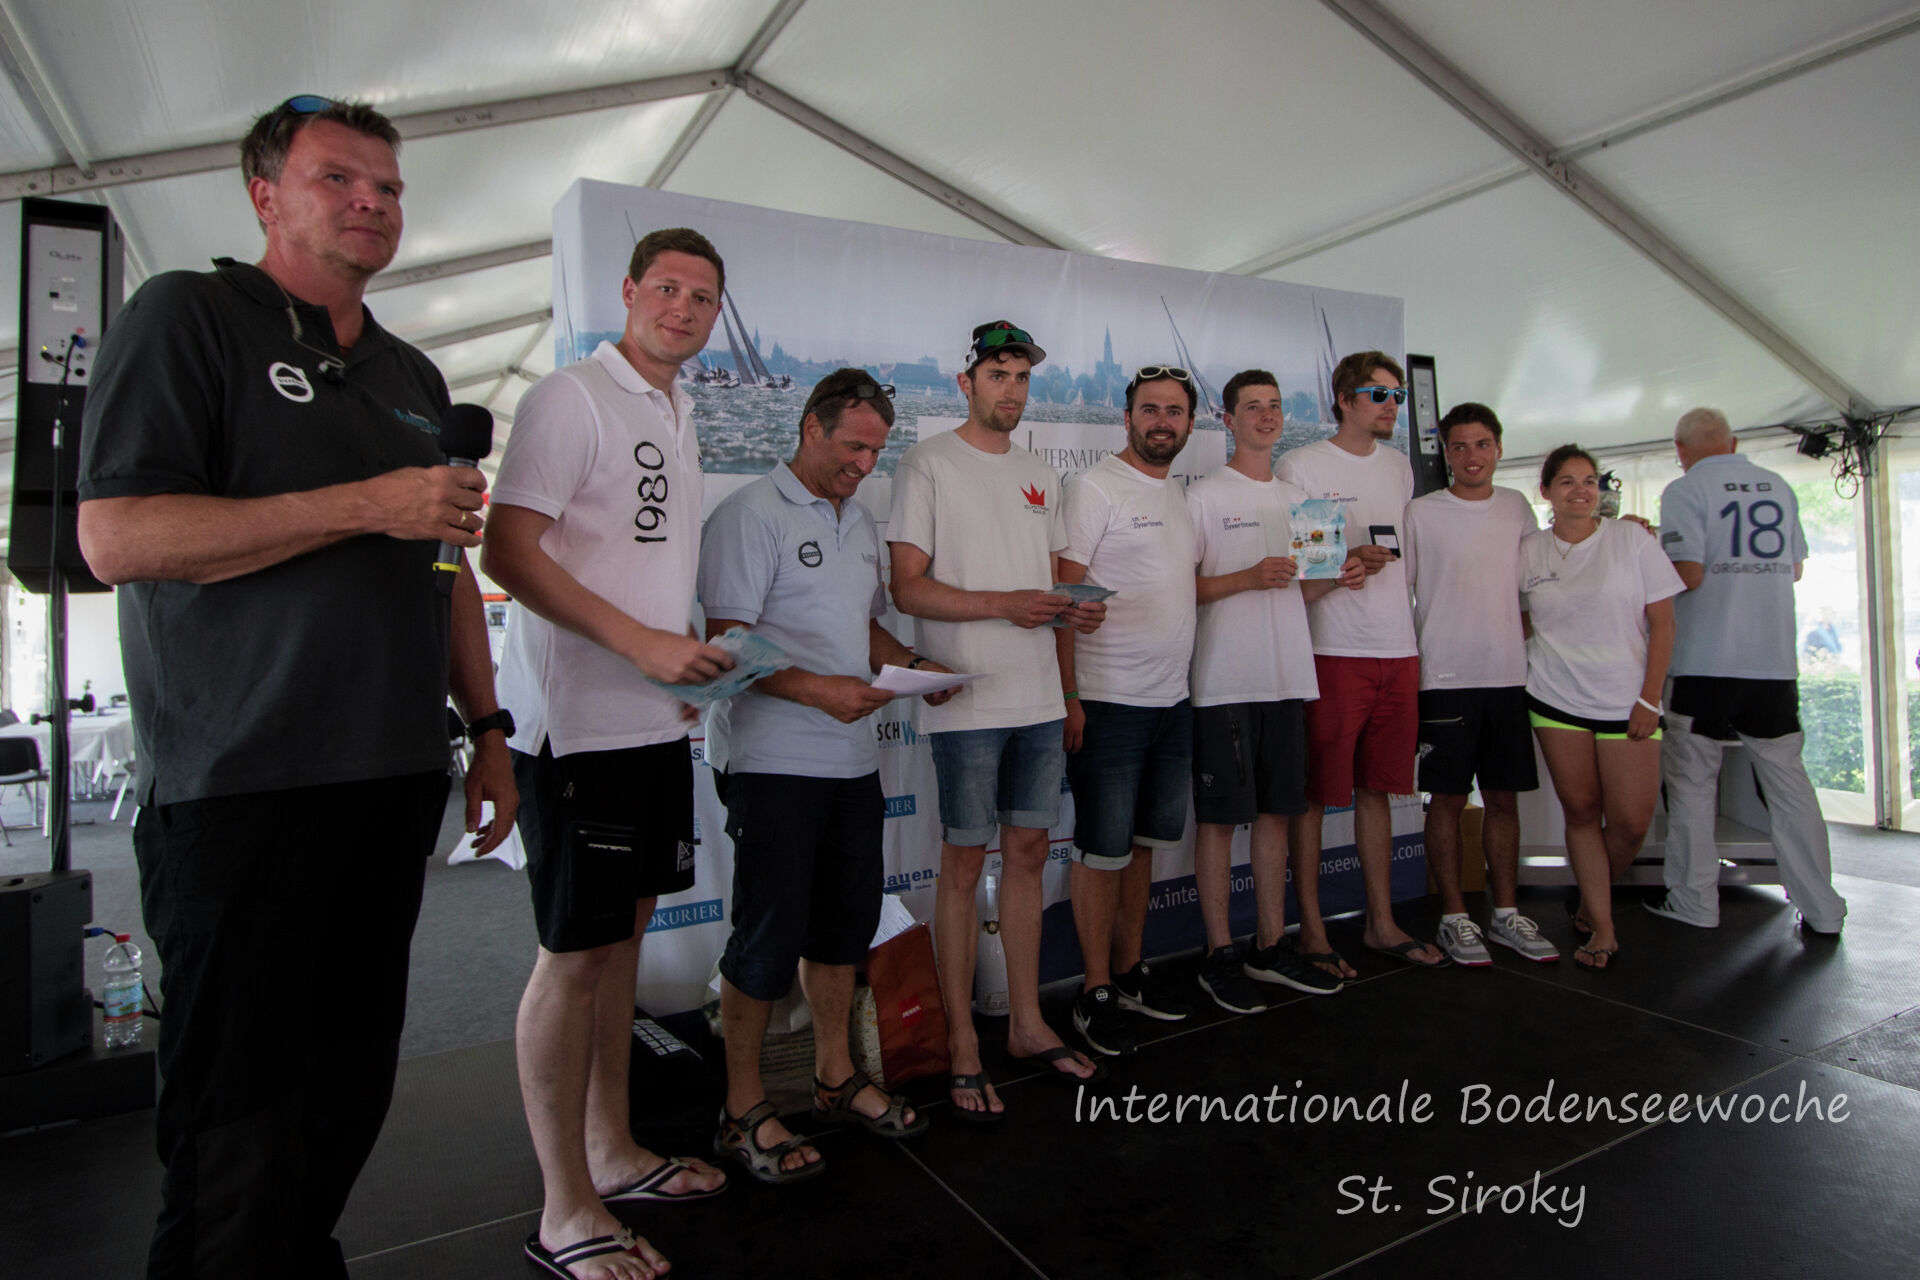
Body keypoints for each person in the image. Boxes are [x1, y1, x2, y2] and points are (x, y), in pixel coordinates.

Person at [75, 97, 516, 1280]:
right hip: (241, 786)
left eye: (389, 186)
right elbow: (118, 536)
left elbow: (446, 566)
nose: (373, 200)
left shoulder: (411, 372)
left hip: (391, 777)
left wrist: (488, 727)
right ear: (265, 194)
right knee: (234, 1122)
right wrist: (368, 503)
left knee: (346, 1091)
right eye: (339, 178)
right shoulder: (188, 315)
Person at [483, 228, 736, 1280]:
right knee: (573, 956)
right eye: (666, 287)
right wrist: (640, 645)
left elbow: (637, 565)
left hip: (650, 723)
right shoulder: (570, 397)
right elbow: (505, 549)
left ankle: (614, 1152)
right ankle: (564, 1210)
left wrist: (681, 660)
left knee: (621, 948)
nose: (682, 307)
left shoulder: (676, 409)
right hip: (575, 730)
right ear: (628, 290)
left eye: (702, 296)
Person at [699, 370, 957, 1181]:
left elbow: (865, 626)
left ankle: (836, 1078)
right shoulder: (749, 514)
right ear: (811, 427)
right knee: (767, 938)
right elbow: (726, 644)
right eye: (854, 447)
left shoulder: (859, 520)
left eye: (878, 452)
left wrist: (915, 665)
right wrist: (819, 691)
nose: (865, 465)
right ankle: (742, 1110)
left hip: (852, 760)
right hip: (773, 763)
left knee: (844, 930)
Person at [888, 321, 1107, 1119]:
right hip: (968, 697)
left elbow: (1047, 590)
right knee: (959, 867)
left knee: (1027, 855)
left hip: (1039, 698)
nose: (1010, 389)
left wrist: (1072, 620)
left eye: (1021, 377)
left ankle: (1024, 1023)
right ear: (966, 383)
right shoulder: (926, 463)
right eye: (997, 375)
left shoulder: (1041, 472)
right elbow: (907, 587)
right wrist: (1004, 605)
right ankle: (961, 1041)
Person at [1185, 370, 1353, 1012]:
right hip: (1223, 681)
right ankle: (1218, 952)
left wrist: (1343, 575)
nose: (1266, 416)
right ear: (1227, 420)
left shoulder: (1303, 501)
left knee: (1278, 814)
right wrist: (1247, 577)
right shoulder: (1203, 496)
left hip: (1287, 677)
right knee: (1220, 822)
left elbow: (1304, 589)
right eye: (1252, 407)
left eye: (1275, 406)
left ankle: (1269, 945)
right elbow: (1180, 590)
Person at [1646, 408, 1847, 935]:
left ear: (1680, 450)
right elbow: (1795, 568)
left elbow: (1688, 572)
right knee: (1789, 787)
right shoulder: (1779, 486)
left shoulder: (1685, 490)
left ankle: (1694, 901)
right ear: (1733, 443)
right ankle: (1824, 908)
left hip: (1703, 663)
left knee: (1692, 784)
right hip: (1773, 663)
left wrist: (1644, 557)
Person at [1277, 351, 1443, 972]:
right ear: (1344, 400)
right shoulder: (1303, 464)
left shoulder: (1399, 466)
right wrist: (1348, 561)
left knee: (1379, 791)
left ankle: (1381, 922)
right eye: (1379, 394)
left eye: (1397, 396)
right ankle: (1313, 932)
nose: (1392, 405)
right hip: (1333, 651)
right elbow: (1307, 571)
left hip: (1398, 649)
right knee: (1316, 796)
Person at [1057, 365, 1199, 1053]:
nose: (1161, 421)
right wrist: (1069, 696)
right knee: (1101, 851)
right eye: (1150, 409)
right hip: (1108, 701)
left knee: (1143, 847)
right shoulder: (1094, 487)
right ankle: (1094, 990)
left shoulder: (1179, 495)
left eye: (1174, 411)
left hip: (1173, 701)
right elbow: (1061, 597)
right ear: (1127, 418)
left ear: (1190, 423)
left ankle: (1128, 971)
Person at [1402, 403, 1559, 965]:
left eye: (1482, 444)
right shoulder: (1420, 512)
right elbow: (1399, 594)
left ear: (1499, 448)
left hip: (1508, 679)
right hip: (1443, 679)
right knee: (1446, 801)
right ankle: (1453, 917)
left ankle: (1505, 914)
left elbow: (1538, 587)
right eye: (1460, 446)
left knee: (1502, 799)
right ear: (1446, 452)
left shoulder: (1517, 508)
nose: (1472, 456)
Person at [1519, 445, 1684, 969]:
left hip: (1627, 702)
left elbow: (1664, 623)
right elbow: (1517, 620)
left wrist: (1649, 699)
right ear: (1546, 491)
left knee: (1632, 823)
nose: (1581, 490)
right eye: (1567, 481)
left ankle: (1591, 899)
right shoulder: (1528, 551)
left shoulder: (1632, 540)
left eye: (1590, 481)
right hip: (1554, 700)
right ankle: (1603, 928)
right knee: (1583, 812)